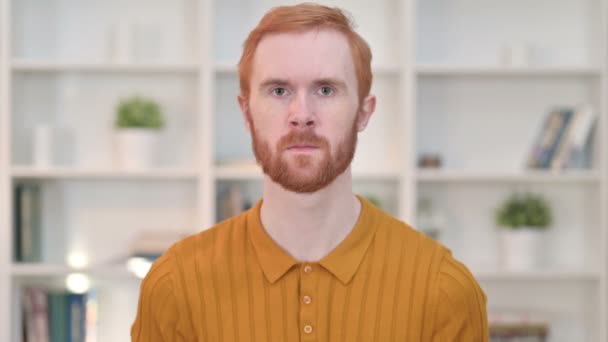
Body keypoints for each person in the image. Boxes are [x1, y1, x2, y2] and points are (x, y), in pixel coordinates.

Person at [131, 3, 488, 341]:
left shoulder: (445, 289)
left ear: (364, 112)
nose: (302, 114)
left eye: (326, 89)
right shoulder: (175, 284)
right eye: (279, 90)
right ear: (246, 113)